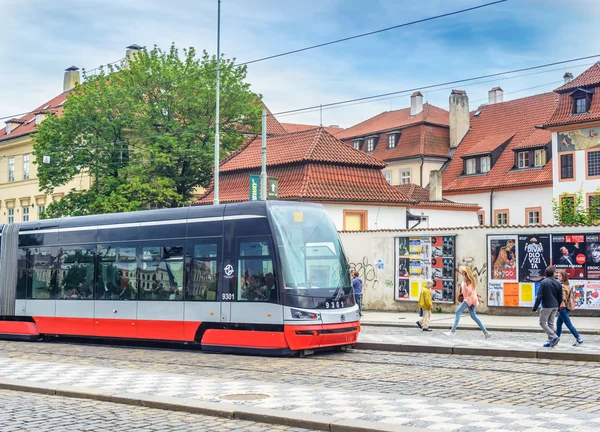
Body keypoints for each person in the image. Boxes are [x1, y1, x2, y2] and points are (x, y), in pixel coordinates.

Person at [445, 266, 490, 339]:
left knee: (457, 312)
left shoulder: (469, 281)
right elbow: (471, 291)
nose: (462, 273)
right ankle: (486, 332)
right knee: (473, 316)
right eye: (462, 272)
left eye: (463, 272)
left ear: (466, 273)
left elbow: (470, 291)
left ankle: (452, 332)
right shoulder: (465, 281)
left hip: (469, 299)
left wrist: (465, 283)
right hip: (469, 299)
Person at [532, 266, 563, 347]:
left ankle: (554, 337)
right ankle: (550, 341)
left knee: (542, 322)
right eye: (555, 272)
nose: (556, 273)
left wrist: (535, 307)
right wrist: (559, 307)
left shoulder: (544, 282)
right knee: (551, 323)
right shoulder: (558, 282)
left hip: (547, 305)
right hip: (555, 306)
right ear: (552, 273)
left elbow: (539, 296)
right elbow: (560, 297)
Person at [556, 270, 584, 347]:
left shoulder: (562, 287)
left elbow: (563, 298)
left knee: (568, 324)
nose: (558, 277)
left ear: (563, 277)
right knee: (558, 324)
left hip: (562, 307)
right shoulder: (568, 285)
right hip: (566, 307)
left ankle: (579, 339)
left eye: (560, 276)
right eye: (558, 275)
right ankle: (556, 338)